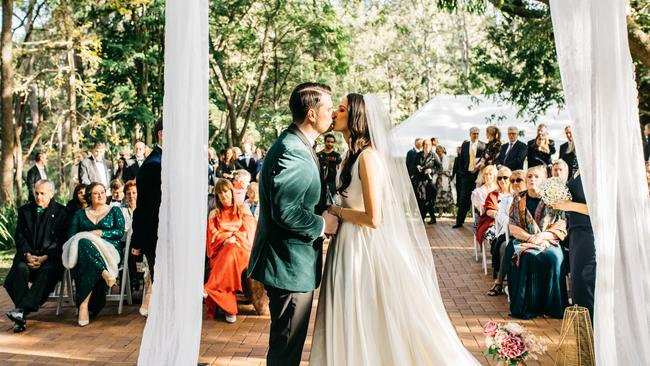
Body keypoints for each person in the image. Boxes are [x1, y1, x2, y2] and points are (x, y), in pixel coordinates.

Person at [310, 93, 479, 365]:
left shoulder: (368, 157)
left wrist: (336, 211)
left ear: (355, 118)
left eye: (340, 109)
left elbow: (374, 218)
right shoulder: (348, 155)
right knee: (349, 313)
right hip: (346, 244)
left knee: (366, 313)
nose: (334, 114)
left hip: (363, 247)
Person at [247, 82, 339, 366]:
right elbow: (286, 212)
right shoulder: (293, 151)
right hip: (289, 266)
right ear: (311, 114)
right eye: (327, 108)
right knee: (286, 350)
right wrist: (322, 224)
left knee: (286, 347)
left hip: (290, 263)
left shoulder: (297, 143)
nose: (332, 113)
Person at [4, 180, 67, 333]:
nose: (38, 197)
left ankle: (20, 311)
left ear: (51, 194)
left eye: (42, 194)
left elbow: (61, 240)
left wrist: (44, 257)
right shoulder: (25, 211)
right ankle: (21, 313)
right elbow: (19, 236)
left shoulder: (62, 212)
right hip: (27, 256)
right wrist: (27, 255)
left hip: (50, 259)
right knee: (19, 269)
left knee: (47, 273)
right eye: (36, 193)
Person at [505, 166, 568, 319]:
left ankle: (553, 306)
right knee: (526, 256)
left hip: (548, 240)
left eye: (536, 176)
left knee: (553, 257)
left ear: (545, 180)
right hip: (523, 240)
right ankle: (525, 307)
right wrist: (530, 238)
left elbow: (561, 223)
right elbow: (512, 225)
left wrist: (543, 237)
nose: (532, 179)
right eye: (529, 176)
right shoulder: (518, 198)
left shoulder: (554, 198)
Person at [64, 182, 125, 326]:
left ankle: (83, 305)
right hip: (85, 252)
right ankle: (105, 274)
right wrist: (87, 237)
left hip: (109, 250)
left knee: (85, 250)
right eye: (96, 193)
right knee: (83, 242)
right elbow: (72, 236)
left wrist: (101, 233)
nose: (100, 196)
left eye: (103, 192)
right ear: (89, 196)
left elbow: (119, 232)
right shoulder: (80, 214)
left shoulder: (115, 211)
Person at [204, 179, 256, 323]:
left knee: (232, 250)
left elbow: (250, 233)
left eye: (225, 191)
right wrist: (225, 240)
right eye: (219, 193)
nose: (223, 195)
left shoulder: (243, 209)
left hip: (241, 250)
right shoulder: (214, 214)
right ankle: (230, 309)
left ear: (232, 192)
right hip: (220, 252)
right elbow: (212, 237)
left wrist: (234, 238)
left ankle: (211, 288)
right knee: (228, 255)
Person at [549, 169, 596, 318]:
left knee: (586, 283)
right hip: (576, 234)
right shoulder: (580, 165)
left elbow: (601, 209)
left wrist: (567, 205)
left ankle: (594, 335)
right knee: (578, 287)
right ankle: (584, 336)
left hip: (590, 234)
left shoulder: (596, 167)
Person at [130, 119, 163, 317]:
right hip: (156, 237)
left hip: (170, 236)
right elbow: (144, 209)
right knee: (162, 285)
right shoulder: (153, 165)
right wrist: (138, 242)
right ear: (161, 133)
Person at [486, 169, 527, 296]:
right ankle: (499, 282)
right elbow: (500, 215)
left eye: (518, 180)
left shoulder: (529, 197)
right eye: (512, 180)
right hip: (509, 232)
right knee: (505, 247)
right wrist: (512, 222)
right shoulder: (507, 199)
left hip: (528, 234)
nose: (515, 183)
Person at [453, 127, 486, 228]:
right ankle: (459, 222)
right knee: (463, 199)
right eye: (474, 133)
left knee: (479, 199)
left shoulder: (483, 145)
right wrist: (463, 172)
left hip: (478, 176)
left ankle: (480, 223)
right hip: (466, 176)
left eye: (477, 133)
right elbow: (461, 160)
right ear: (470, 134)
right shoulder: (465, 145)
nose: (476, 135)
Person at [475, 166, 512, 245]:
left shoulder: (516, 194)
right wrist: (501, 216)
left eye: (505, 177)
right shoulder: (493, 194)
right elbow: (489, 211)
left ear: (510, 179)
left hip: (514, 223)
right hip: (494, 223)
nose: (502, 180)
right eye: (499, 178)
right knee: (495, 235)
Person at [414, 139, 441, 224]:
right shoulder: (418, 155)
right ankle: (429, 219)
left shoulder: (434, 155)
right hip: (420, 181)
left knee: (428, 201)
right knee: (422, 200)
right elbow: (413, 166)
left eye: (428, 145)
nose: (426, 146)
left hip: (430, 182)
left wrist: (431, 170)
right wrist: (417, 167)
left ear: (431, 146)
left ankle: (423, 219)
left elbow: (440, 168)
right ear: (423, 145)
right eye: (425, 144)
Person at [317, 134, 342, 204]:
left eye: (332, 142)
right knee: (320, 202)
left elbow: (339, 169)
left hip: (332, 183)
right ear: (325, 142)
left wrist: (338, 184)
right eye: (328, 141)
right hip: (320, 182)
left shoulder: (337, 156)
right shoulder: (319, 155)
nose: (330, 143)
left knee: (332, 203)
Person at [434, 145, 454, 215]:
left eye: (440, 151)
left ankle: (453, 212)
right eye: (437, 151)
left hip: (446, 180)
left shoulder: (448, 159)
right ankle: (440, 212)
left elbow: (450, 169)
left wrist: (446, 172)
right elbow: (435, 169)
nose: (439, 152)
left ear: (443, 151)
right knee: (439, 197)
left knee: (448, 196)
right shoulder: (436, 159)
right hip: (439, 180)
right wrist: (440, 172)